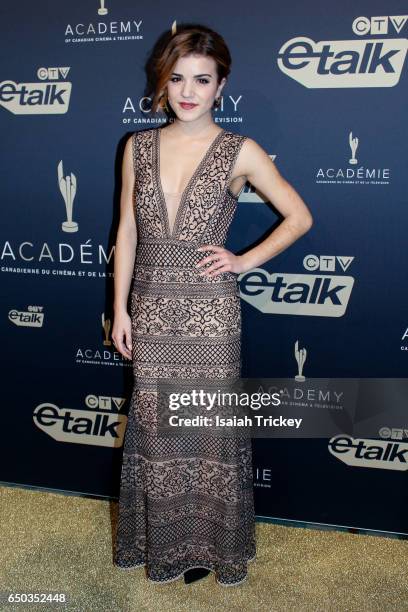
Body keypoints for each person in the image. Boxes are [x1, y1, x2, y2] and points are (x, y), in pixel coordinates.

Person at [112, 24, 313, 587]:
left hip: (210, 313)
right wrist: (122, 309)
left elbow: (299, 217)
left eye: (202, 79)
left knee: (206, 431)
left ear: (222, 84)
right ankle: (161, 544)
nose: (188, 91)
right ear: (163, 81)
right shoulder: (137, 146)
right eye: (177, 78)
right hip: (151, 308)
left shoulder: (239, 150)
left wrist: (245, 260)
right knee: (157, 430)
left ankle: (212, 546)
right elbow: (126, 232)